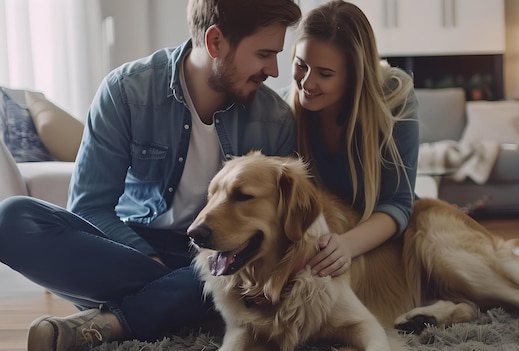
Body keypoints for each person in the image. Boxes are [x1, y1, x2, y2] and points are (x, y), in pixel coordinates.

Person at [0, 0, 301, 350]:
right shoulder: (126, 91)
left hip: (223, 257)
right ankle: (178, 303)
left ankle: (117, 320)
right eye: (264, 53)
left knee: (240, 273)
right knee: (11, 219)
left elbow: (277, 232)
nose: (274, 70)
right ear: (216, 42)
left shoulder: (275, 119)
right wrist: (152, 262)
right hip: (133, 251)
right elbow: (90, 207)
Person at [282, 0, 419, 278]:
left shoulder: (394, 94)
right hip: (324, 239)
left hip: (377, 239)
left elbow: (398, 202)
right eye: (301, 65)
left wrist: (346, 245)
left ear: (355, 76)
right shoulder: (287, 112)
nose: (306, 83)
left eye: (325, 73)